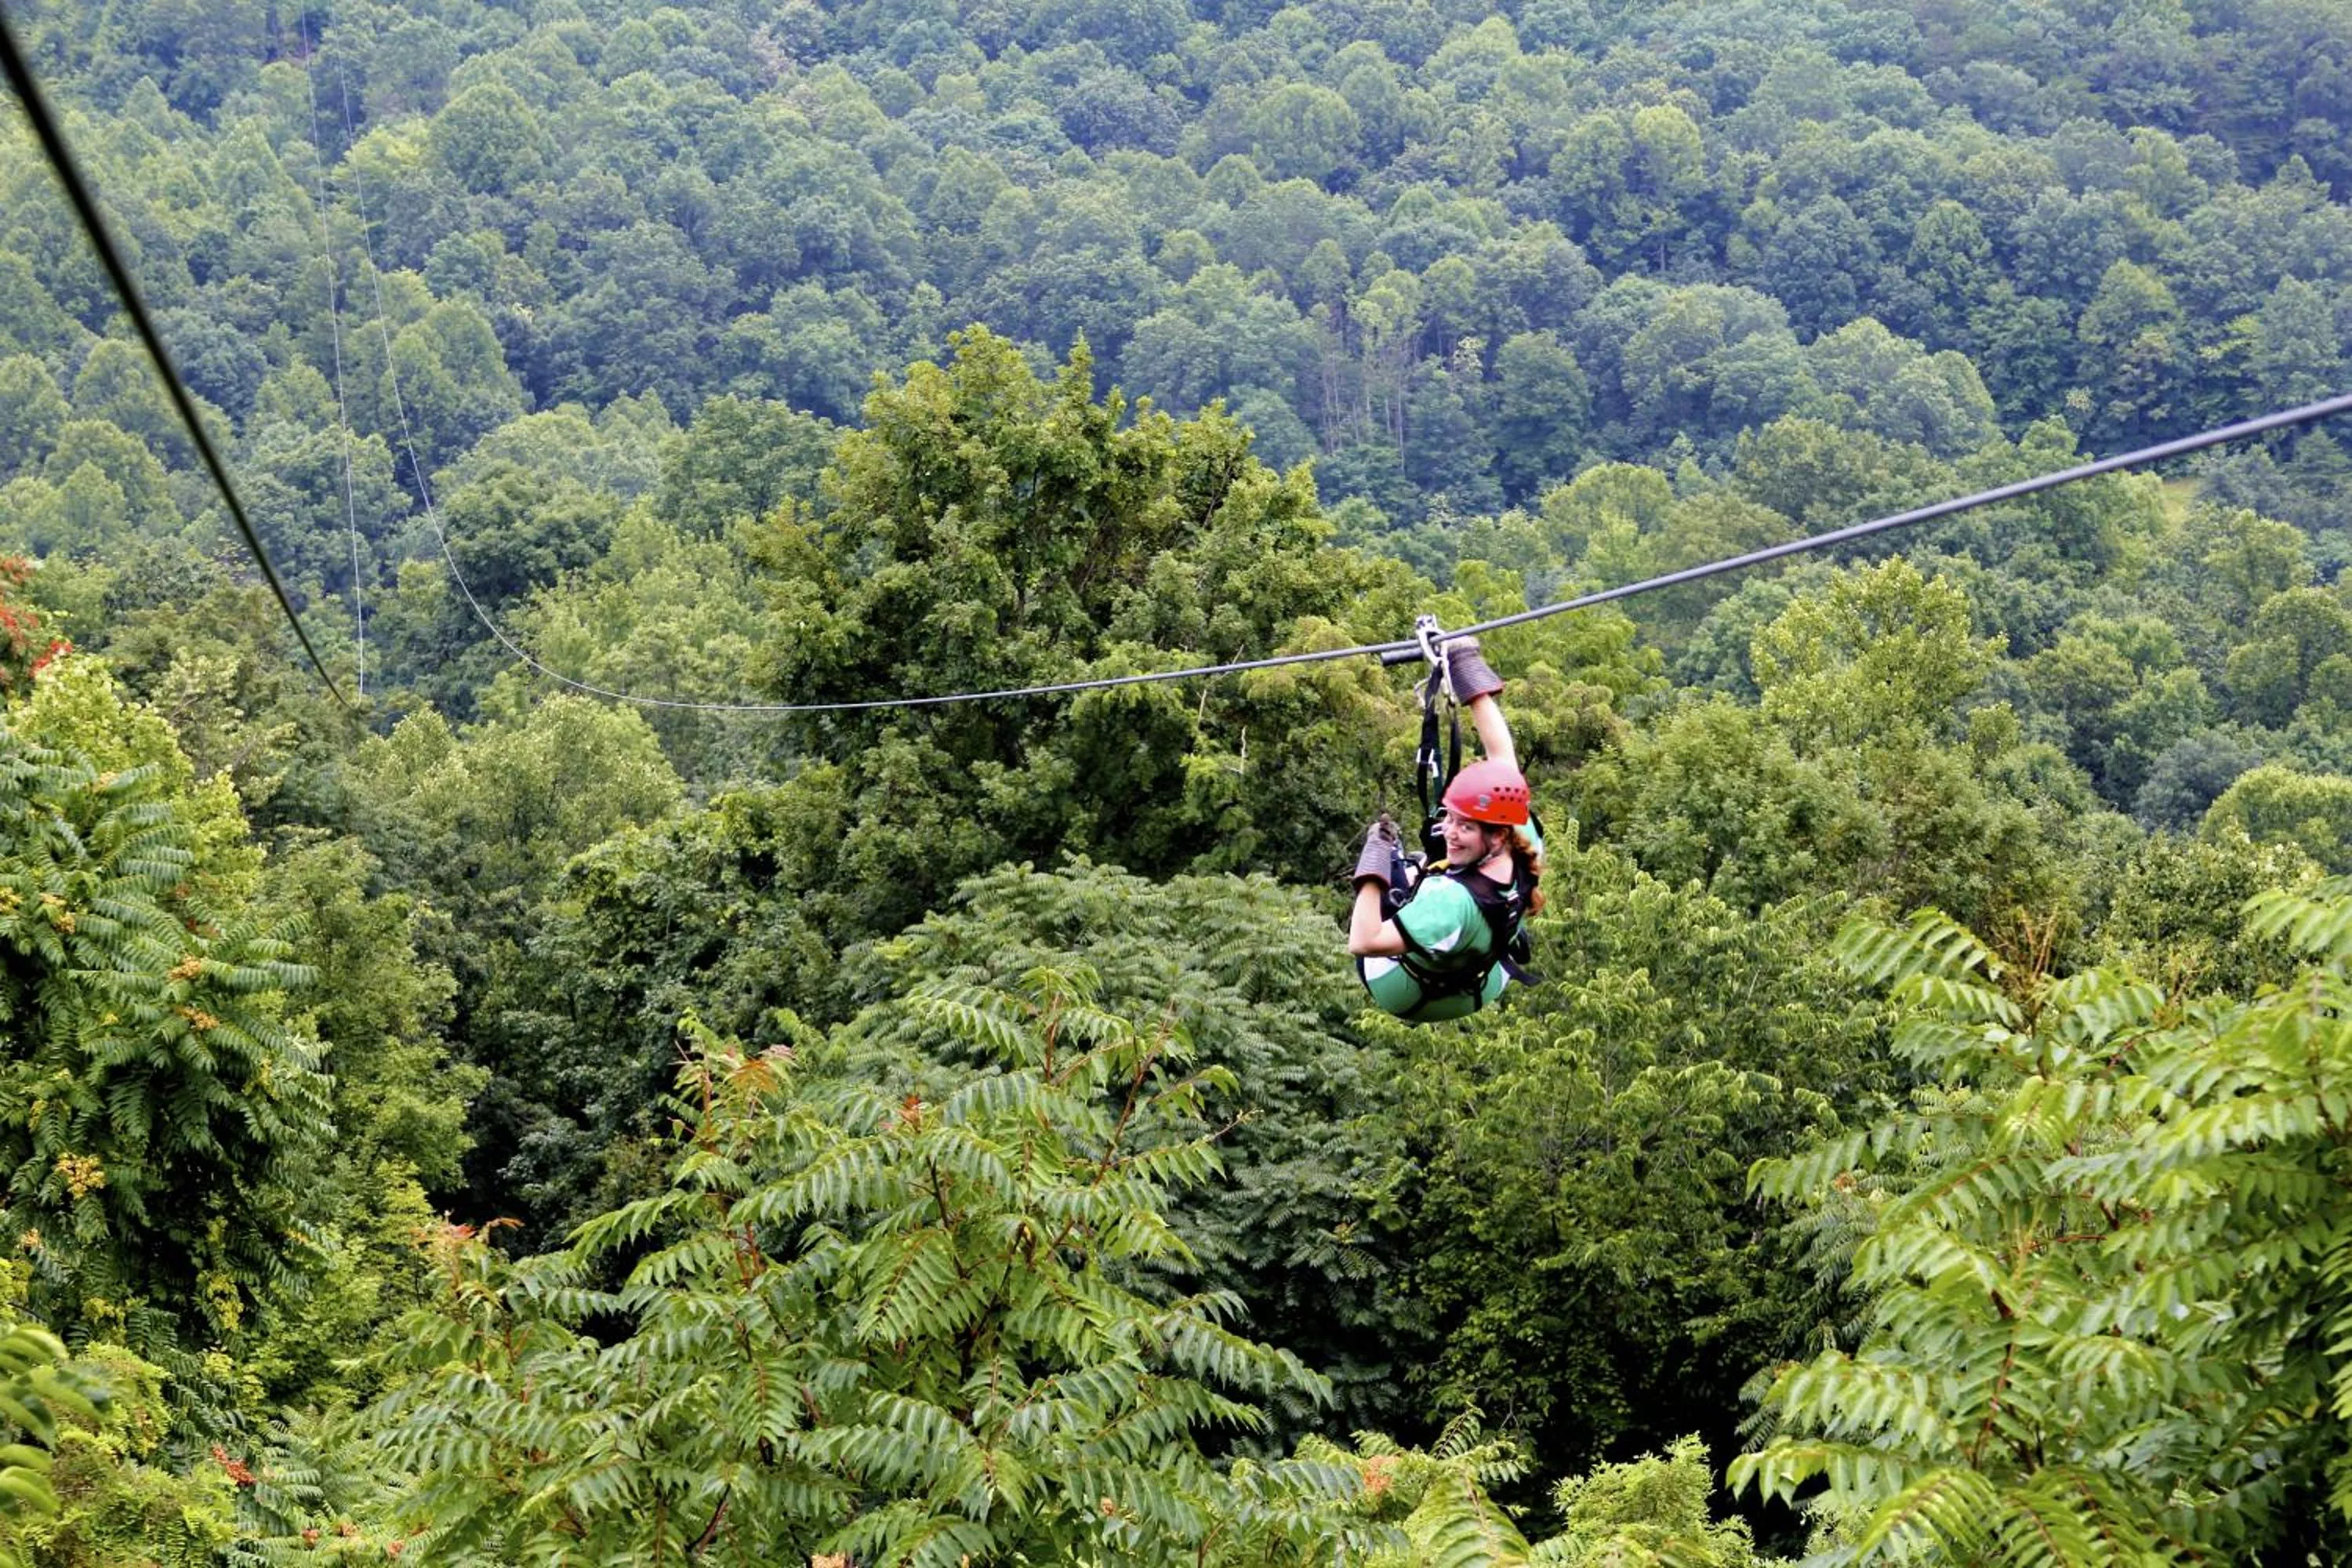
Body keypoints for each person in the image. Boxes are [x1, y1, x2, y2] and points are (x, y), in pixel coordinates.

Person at [1349, 636, 1544, 1023]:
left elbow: (1363, 941)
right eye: (1451, 818)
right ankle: (1449, 929)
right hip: (1484, 981)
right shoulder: (1523, 836)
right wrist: (1467, 673)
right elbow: (1502, 757)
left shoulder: (1447, 900)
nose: (1450, 832)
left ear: (1497, 835)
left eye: (1465, 827)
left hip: (1412, 993)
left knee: (1396, 878)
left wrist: (1371, 867)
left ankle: (1408, 894)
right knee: (1426, 865)